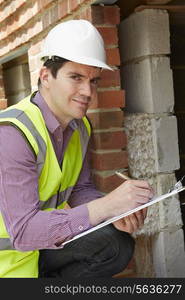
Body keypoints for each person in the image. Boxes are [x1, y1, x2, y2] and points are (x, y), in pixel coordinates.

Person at [0, 20, 153, 278]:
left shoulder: (80, 127)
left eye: (94, 81)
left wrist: (114, 212)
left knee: (115, 243)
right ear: (46, 76)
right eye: (76, 77)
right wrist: (105, 207)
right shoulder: (12, 134)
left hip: (43, 246)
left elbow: (80, 189)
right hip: (11, 260)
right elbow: (24, 232)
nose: (88, 91)